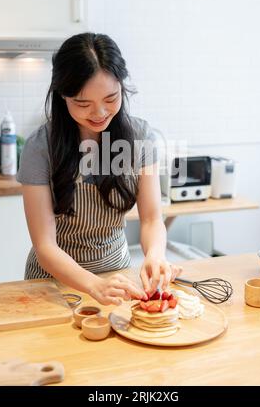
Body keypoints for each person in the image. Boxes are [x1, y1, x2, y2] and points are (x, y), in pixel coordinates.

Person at [17, 32, 183, 306]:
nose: (100, 113)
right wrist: (93, 284)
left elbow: (152, 219)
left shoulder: (140, 137)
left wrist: (155, 254)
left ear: (122, 88)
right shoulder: (40, 147)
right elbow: (45, 246)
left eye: (111, 98)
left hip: (117, 276)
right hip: (52, 285)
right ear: (63, 96)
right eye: (83, 103)